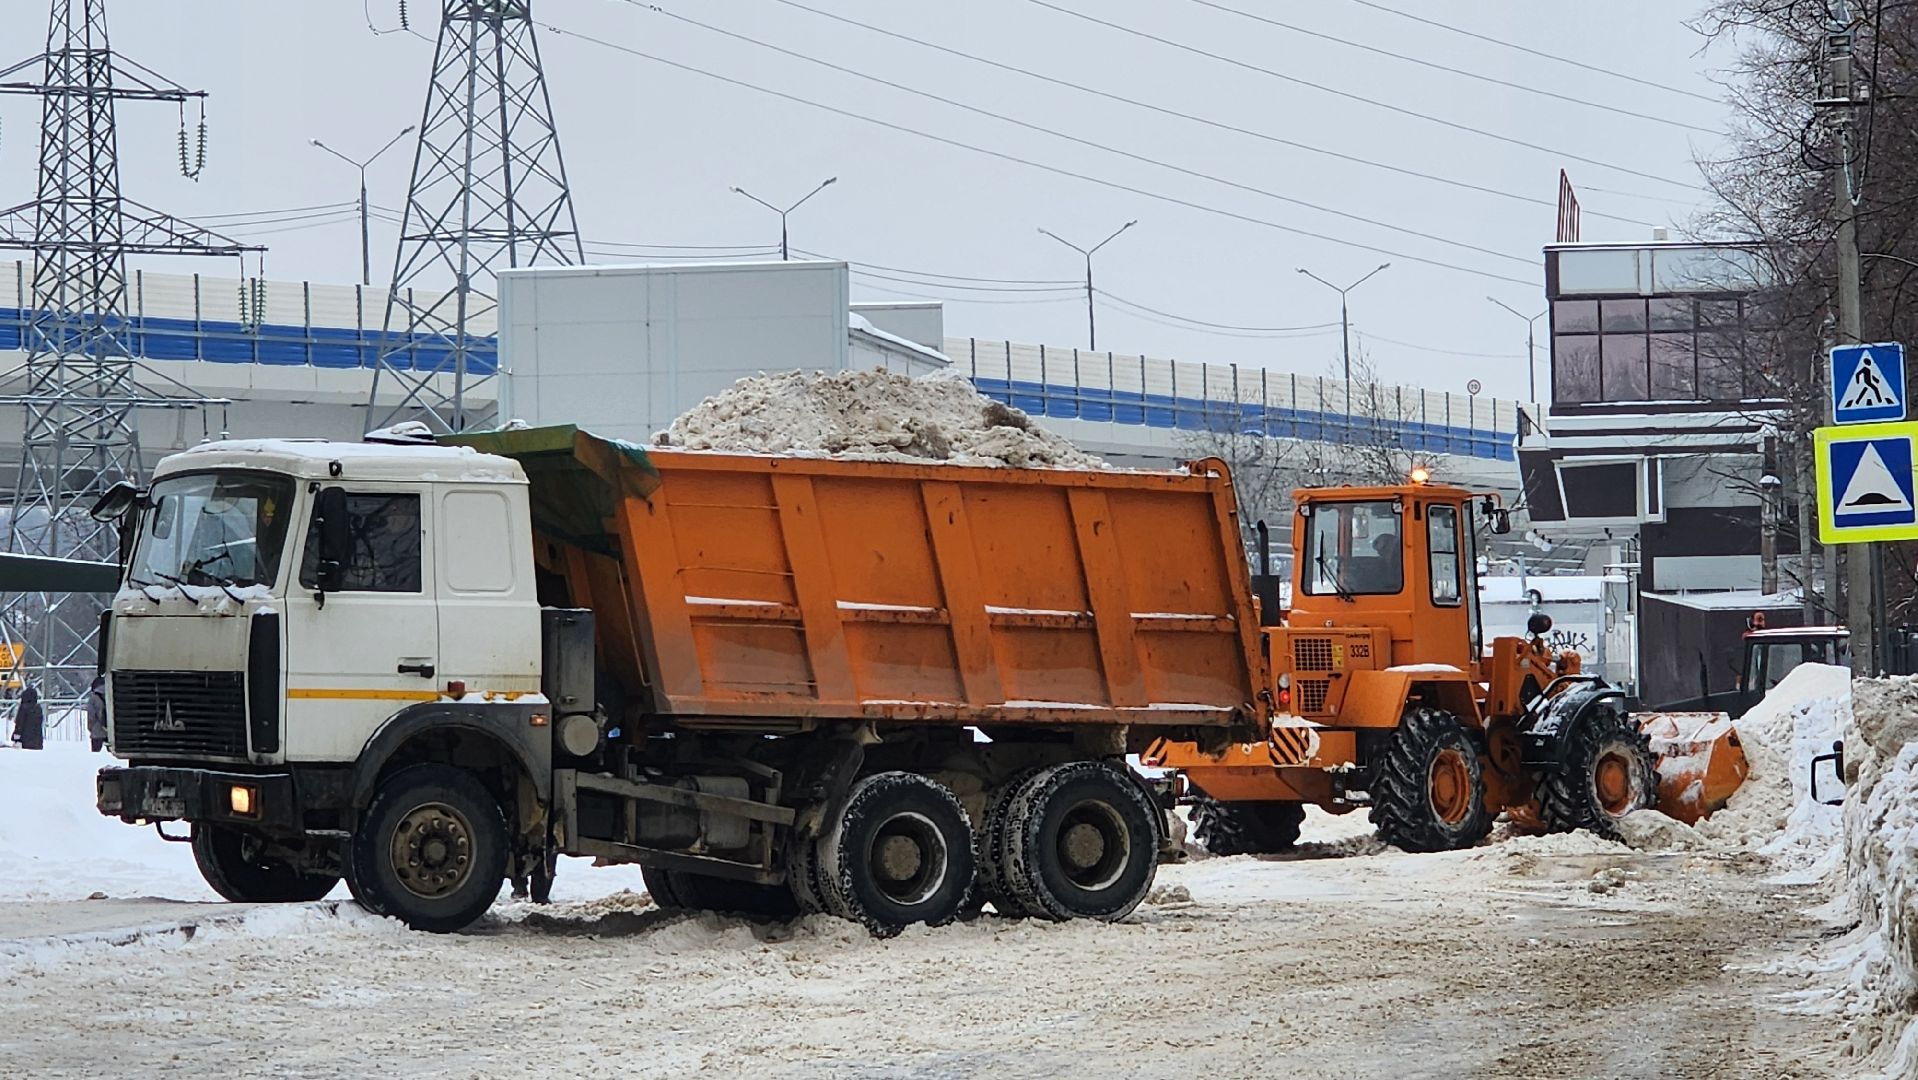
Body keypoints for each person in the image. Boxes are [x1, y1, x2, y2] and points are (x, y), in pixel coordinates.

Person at [11, 685, 42, 751]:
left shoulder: (23, 708)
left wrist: (16, 738)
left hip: (24, 741)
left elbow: (19, 724)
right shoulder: (38, 708)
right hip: (37, 741)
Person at [86, 675, 107, 753]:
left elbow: (91, 715)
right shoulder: (112, 693)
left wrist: (90, 728)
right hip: (113, 730)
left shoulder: (93, 698)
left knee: (96, 754)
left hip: (97, 730)